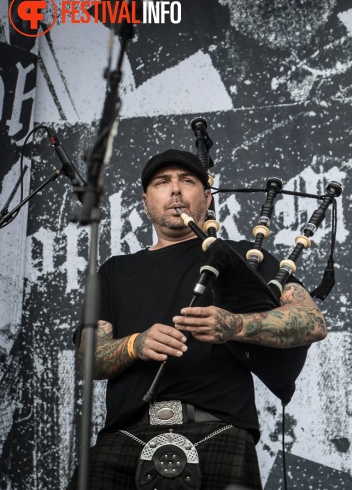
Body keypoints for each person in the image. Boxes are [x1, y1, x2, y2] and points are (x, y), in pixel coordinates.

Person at [70, 149, 327, 490]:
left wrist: (234, 325)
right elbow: (89, 360)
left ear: (207, 198)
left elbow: (311, 321)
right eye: (163, 182)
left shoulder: (241, 257)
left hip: (219, 431)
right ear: (146, 201)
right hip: (125, 436)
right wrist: (136, 344)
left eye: (187, 181)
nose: (175, 190)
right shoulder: (114, 272)